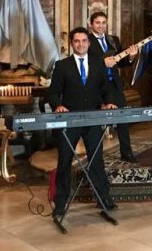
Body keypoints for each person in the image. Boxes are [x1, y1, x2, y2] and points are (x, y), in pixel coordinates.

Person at [46, 27, 117, 222]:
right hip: (70, 120)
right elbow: (52, 92)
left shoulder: (98, 64)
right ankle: (60, 203)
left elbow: (106, 87)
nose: (81, 44)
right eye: (76, 41)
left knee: (96, 159)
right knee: (64, 161)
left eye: (84, 41)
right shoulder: (62, 66)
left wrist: (108, 101)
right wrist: (58, 105)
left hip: (94, 119)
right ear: (71, 44)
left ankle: (103, 198)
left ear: (89, 42)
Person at [87, 11, 138, 162]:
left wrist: (131, 57)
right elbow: (84, 63)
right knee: (95, 121)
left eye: (104, 23)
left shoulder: (113, 40)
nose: (101, 26)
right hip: (95, 86)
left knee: (123, 118)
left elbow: (120, 62)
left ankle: (126, 152)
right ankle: (95, 155)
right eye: (98, 23)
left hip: (114, 84)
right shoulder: (86, 41)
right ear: (91, 24)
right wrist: (103, 63)